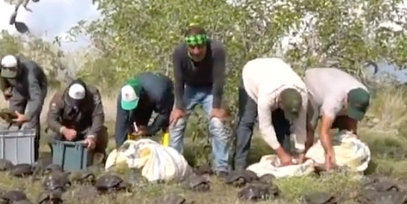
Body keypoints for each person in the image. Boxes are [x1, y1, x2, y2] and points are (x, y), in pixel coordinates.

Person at [168, 26, 230, 173]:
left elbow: (219, 79)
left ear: (206, 44)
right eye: (192, 47)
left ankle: (221, 167)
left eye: (200, 47)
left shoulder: (217, 50)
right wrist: (179, 107)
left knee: (218, 123)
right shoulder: (179, 53)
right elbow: (178, 81)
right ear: (187, 46)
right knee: (176, 122)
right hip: (189, 88)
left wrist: (216, 106)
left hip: (211, 89)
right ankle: (174, 166)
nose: (196, 51)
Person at [233, 57, 310, 169]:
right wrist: (281, 153)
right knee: (247, 122)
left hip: (275, 71)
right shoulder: (266, 96)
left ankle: (286, 162)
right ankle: (239, 165)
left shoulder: (302, 94)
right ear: (280, 103)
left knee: (282, 124)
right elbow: (265, 128)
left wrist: (301, 151)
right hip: (251, 76)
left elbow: (300, 126)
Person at [304, 67, 370, 170]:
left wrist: (354, 138)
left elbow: (352, 122)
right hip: (314, 83)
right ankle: (306, 157)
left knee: (346, 129)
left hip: (332, 80)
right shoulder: (333, 100)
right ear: (346, 100)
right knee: (311, 125)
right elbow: (323, 131)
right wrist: (329, 153)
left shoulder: (363, 94)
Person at [0, 54, 48, 157]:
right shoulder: (0, 64)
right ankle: (13, 152)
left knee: (31, 122)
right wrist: (5, 89)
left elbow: (36, 98)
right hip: (18, 88)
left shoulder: (31, 75)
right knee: (14, 117)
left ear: (18, 69)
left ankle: (32, 154)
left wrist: (27, 116)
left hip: (37, 90)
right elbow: (1, 77)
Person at [46, 80, 109, 161]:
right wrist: (64, 130)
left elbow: (98, 116)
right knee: (51, 134)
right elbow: (51, 119)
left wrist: (92, 136)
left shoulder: (93, 94)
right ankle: (57, 156)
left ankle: (97, 157)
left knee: (102, 134)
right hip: (66, 127)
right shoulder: (59, 97)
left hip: (85, 128)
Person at [115, 72, 174, 146]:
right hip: (145, 94)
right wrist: (120, 148)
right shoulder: (123, 95)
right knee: (136, 125)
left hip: (164, 91)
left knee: (166, 123)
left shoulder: (160, 94)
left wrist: (150, 130)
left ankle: (168, 149)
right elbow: (121, 123)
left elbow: (164, 115)